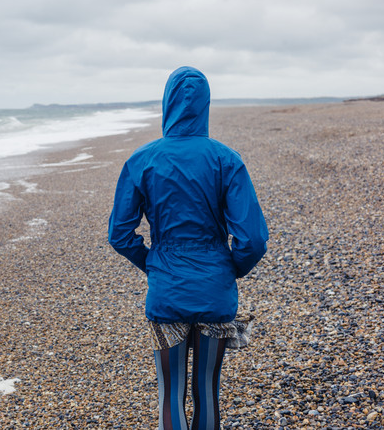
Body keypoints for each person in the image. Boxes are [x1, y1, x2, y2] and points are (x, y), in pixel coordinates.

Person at [108, 66, 268, 429]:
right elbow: (253, 239)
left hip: (167, 289)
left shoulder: (142, 160)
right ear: (206, 106)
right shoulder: (226, 159)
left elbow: (119, 234)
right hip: (215, 289)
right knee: (208, 393)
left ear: (166, 104)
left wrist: (152, 263)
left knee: (170, 393)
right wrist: (230, 269)